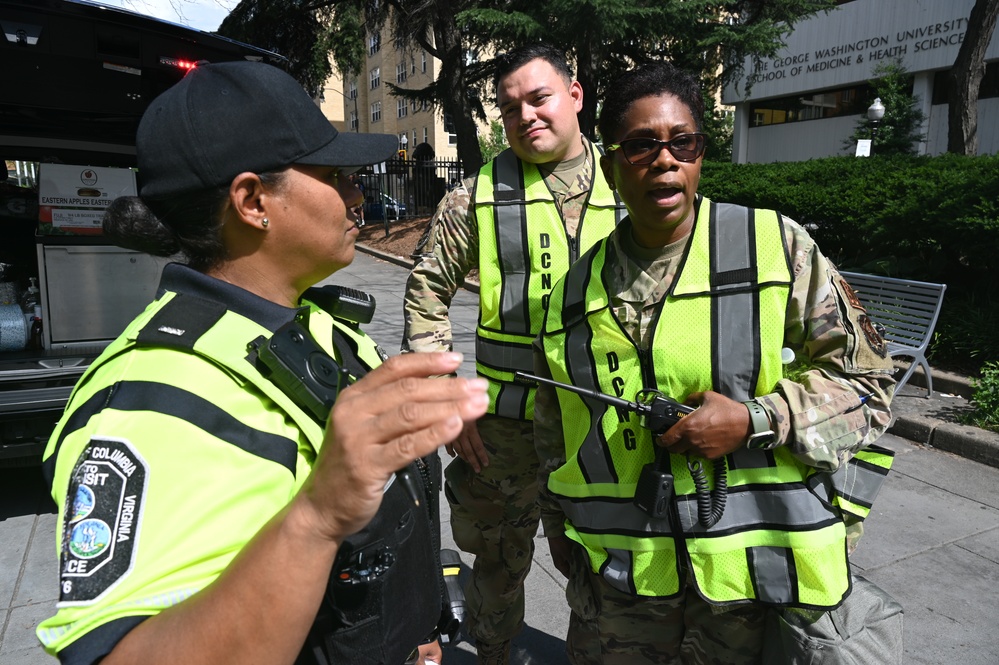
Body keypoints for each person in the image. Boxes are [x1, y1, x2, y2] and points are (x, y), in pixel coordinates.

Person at [35, 61, 489, 665]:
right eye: (334, 175)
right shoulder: (154, 402)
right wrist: (317, 515)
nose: (358, 196)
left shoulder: (314, 321)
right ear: (252, 201)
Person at [532, 61, 898, 664]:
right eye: (641, 144)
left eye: (683, 142)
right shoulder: (573, 295)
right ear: (612, 163)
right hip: (621, 595)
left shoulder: (772, 247)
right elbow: (559, 431)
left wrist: (756, 420)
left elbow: (870, 384)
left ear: (702, 153)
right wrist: (557, 526)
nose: (664, 159)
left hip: (749, 594)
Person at [402, 43, 624, 664]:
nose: (525, 115)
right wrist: (449, 397)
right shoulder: (478, 193)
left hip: (602, 425)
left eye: (539, 97)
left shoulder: (631, 180)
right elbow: (425, 289)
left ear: (575, 95)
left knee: (601, 566)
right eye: (509, 107)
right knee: (497, 568)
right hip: (502, 432)